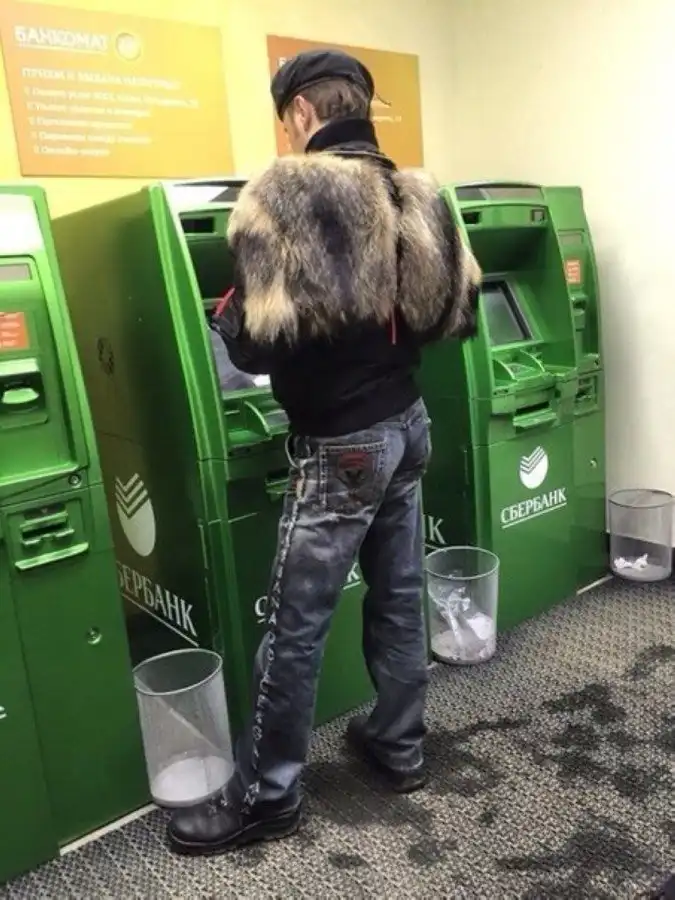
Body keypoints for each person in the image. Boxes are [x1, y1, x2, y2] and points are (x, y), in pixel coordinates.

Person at [168, 48, 481, 856]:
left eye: (286, 120)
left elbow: (255, 344)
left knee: (295, 623)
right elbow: (452, 314)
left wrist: (227, 315)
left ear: (301, 112)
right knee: (397, 593)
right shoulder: (416, 192)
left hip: (342, 443)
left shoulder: (286, 194)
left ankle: (267, 797)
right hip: (407, 424)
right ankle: (398, 747)